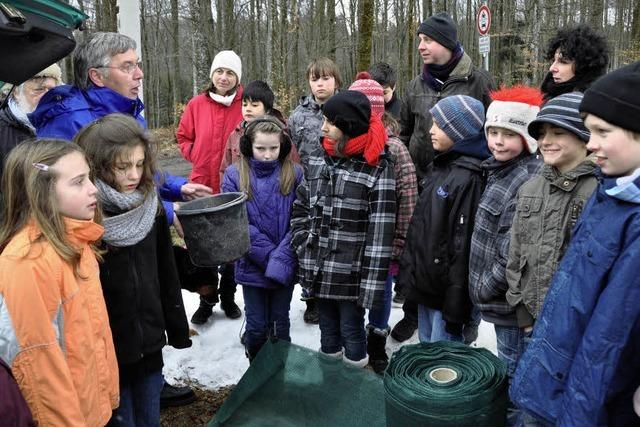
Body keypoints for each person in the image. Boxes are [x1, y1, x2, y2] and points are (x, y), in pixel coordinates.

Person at [28, 30, 203, 407]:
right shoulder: (74, 122)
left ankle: (147, 384)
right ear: (97, 75)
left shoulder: (119, 109)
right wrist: (166, 210)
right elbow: (94, 191)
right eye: (128, 66)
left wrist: (175, 187)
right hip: (98, 247)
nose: (139, 73)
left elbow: (130, 171)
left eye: (137, 64)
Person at [511, 61, 640, 426]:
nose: (591, 143)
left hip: (605, 395)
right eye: (588, 131)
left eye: (601, 131)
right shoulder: (610, 193)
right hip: (567, 375)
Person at [75, 114, 192, 426]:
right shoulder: (86, 217)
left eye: (140, 164)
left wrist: (176, 329)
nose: (134, 174)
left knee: (150, 416)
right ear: (98, 165)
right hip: (110, 349)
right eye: (123, 166)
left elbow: (166, 273)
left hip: (150, 341)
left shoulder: (149, 206)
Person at [0, 139, 119, 426]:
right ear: (40, 194)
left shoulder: (77, 241)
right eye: (78, 182)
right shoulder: (28, 263)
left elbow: (92, 334)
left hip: (91, 404)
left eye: (89, 178)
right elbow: (39, 367)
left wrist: (106, 396)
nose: (93, 189)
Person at [392, 11, 494, 343]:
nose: (420, 46)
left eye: (428, 40)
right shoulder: (415, 84)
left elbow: (493, 133)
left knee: (449, 256)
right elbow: (407, 131)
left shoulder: (478, 80)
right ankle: (411, 314)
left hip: (462, 183)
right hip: (425, 181)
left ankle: (460, 323)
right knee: (422, 253)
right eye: (419, 39)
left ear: (447, 44)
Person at [291, 90, 395, 368]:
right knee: (327, 332)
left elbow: (380, 235)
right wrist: (303, 242)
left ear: (348, 126)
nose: (323, 127)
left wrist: (371, 288)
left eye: (330, 122)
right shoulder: (320, 158)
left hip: (352, 276)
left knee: (351, 331)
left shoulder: (377, 168)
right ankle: (331, 388)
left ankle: (353, 389)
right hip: (320, 269)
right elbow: (301, 205)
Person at [468, 86, 543, 426]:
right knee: (507, 361)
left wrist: (485, 286)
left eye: (508, 134)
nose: (497, 141)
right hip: (496, 301)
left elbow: (512, 249)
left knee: (513, 372)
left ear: (528, 138)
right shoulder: (497, 170)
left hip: (509, 304)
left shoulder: (525, 180)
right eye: (493, 132)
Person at [399, 94, 490, 345]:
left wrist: (456, 305)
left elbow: (462, 248)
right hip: (429, 287)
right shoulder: (441, 167)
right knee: (428, 347)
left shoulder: (468, 177)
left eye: (439, 125)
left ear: (459, 131)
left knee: (443, 358)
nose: (430, 130)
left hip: (447, 296)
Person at [506, 92, 597, 339]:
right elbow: (515, 253)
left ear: (584, 138)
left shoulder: (599, 192)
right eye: (542, 134)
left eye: (558, 133)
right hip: (532, 321)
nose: (546, 141)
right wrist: (522, 310)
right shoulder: (529, 188)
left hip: (577, 326)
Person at [349, 73, 418, 373]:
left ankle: (376, 338)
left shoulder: (395, 149)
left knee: (381, 293)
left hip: (384, 241)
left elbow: (408, 197)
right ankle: (351, 338)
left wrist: (399, 243)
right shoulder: (342, 144)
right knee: (351, 293)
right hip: (350, 241)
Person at [221, 116, 303, 361]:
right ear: (248, 147)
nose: (267, 155)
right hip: (252, 266)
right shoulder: (235, 175)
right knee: (256, 327)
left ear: (283, 147)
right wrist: (270, 257)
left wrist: (282, 258)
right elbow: (234, 221)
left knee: (280, 323)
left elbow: (301, 219)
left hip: (285, 266)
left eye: (273, 148)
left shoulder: (295, 173)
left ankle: (279, 376)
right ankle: (257, 376)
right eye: (260, 149)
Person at [176, 49, 244, 324]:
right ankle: (207, 298)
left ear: (237, 77)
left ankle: (228, 296)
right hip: (201, 183)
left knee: (231, 247)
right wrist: (196, 154)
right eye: (220, 72)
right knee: (201, 246)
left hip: (231, 184)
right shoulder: (196, 104)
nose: (224, 77)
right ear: (212, 74)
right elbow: (182, 136)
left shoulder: (244, 104)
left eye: (229, 73)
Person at [288, 57, 342, 324]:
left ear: (336, 81)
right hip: (307, 190)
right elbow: (291, 153)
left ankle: (331, 295)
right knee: (308, 243)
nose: (320, 84)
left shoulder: (345, 110)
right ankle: (310, 297)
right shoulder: (298, 115)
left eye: (325, 78)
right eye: (314, 79)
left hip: (339, 188)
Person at [219, 79, 299, 184]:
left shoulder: (280, 134)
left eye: (254, 105)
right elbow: (225, 170)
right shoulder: (235, 135)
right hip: (242, 191)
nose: (248, 109)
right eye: (244, 104)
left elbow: (294, 167)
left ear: (268, 110)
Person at [0, 64, 61, 177]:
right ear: (16, 92)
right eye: (39, 89)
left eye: (52, 90)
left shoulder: (63, 121)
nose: (47, 96)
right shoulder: (2, 130)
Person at [540, 24, 609, 102]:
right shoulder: (549, 98)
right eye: (553, 60)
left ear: (583, 67)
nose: (552, 68)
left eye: (563, 62)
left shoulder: (596, 106)